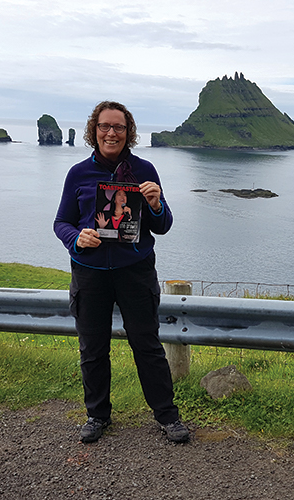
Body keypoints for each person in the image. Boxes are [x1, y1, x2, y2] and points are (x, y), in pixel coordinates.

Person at [53, 101, 189, 444]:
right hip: (90, 272)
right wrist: (76, 237)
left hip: (135, 270)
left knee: (147, 345)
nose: (111, 133)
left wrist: (157, 204)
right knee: (93, 348)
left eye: (119, 127)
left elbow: (163, 226)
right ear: (93, 131)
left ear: (128, 133)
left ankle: (167, 416)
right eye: (104, 126)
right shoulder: (78, 174)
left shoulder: (145, 170)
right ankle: (97, 415)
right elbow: (61, 222)